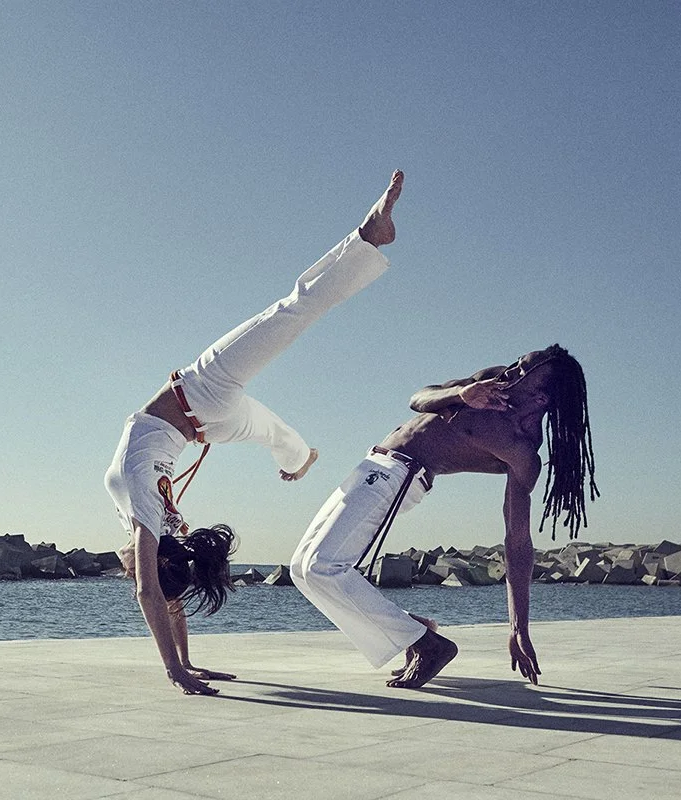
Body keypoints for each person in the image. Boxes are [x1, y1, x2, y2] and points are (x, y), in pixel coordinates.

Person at [105, 170, 406, 695]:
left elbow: (155, 594)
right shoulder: (156, 527)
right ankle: (368, 240)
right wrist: (181, 667)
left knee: (279, 421)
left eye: (133, 569)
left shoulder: (152, 522)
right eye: (133, 568)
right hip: (200, 405)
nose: (125, 567)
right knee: (287, 318)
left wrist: (180, 668)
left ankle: (296, 458)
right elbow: (158, 594)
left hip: (207, 422)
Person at [290, 345, 599, 688]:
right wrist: (462, 394)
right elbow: (419, 398)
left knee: (322, 567)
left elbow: (518, 540)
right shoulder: (486, 382)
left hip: (400, 476)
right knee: (301, 569)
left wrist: (518, 628)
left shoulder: (520, 448)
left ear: (542, 398)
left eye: (522, 373)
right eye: (516, 364)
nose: (510, 373)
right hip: (373, 463)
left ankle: (428, 645)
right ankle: (415, 629)